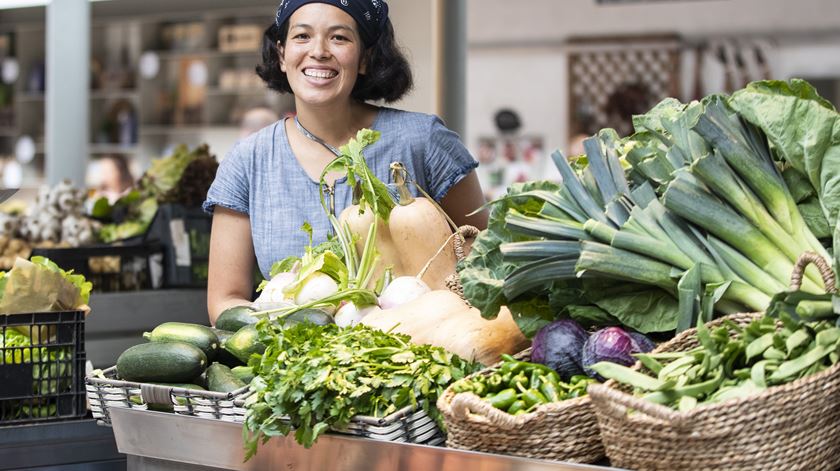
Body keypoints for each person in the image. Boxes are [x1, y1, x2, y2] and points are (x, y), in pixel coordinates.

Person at [203, 0, 488, 323]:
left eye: (339, 38)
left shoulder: (423, 141)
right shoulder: (248, 160)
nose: (319, 51)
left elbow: (485, 261)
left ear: (365, 58)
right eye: (302, 37)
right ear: (282, 55)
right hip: (291, 364)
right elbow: (225, 301)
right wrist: (286, 339)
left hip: (421, 352)